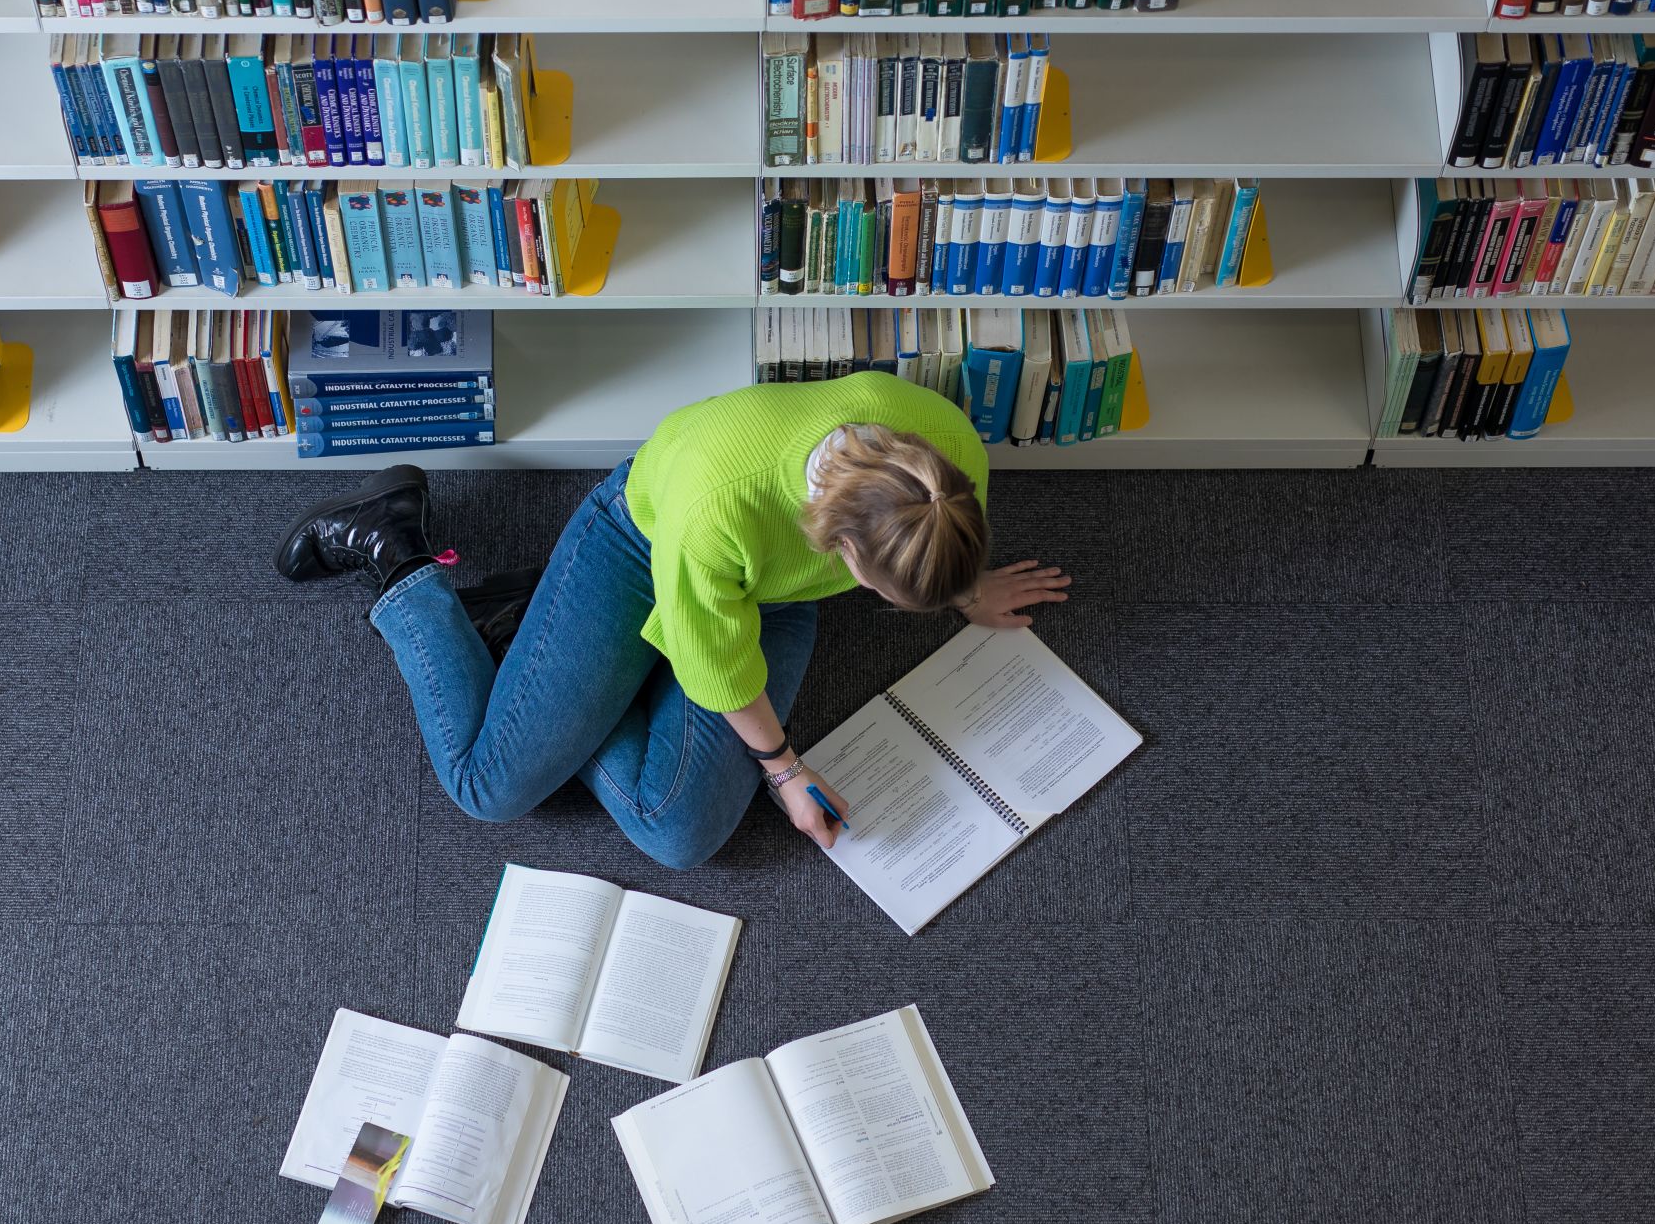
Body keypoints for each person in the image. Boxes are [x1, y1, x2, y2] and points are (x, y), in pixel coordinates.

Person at [274, 371, 1072, 869]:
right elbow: (723, 668)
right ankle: (397, 554)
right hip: (641, 542)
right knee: (487, 785)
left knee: (679, 831)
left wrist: (965, 591)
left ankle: (550, 645)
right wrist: (785, 769)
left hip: (768, 593)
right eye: (882, 592)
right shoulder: (716, 508)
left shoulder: (947, 459)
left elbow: (925, 536)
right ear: (841, 547)